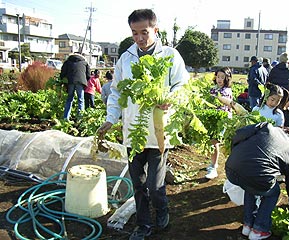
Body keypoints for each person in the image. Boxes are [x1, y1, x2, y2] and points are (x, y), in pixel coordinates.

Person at [97, 9, 189, 240]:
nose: (139, 38)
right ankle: (144, 225)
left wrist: (171, 99)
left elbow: (182, 86)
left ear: (155, 30)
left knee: (155, 185)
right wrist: (111, 119)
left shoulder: (170, 55)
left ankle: (163, 212)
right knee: (137, 184)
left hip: (160, 132)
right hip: (133, 132)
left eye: (144, 32)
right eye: (134, 33)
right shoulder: (126, 57)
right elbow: (116, 92)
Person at [225, 122, 289, 239]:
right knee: (273, 192)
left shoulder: (269, 127)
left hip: (231, 168)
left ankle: (247, 225)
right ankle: (259, 230)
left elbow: (240, 134)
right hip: (255, 175)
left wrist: (236, 154)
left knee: (251, 185)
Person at [206, 67, 233, 180]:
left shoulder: (226, 91)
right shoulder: (213, 88)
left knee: (214, 142)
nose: (220, 79)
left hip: (221, 120)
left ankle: (213, 168)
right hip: (212, 119)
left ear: (227, 78)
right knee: (211, 142)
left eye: (222, 77)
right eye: (218, 77)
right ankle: (214, 163)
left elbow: (223, 106)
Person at [60, 52, 91, 120]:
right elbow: (88, 75)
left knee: (69, 99)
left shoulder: (67, 62)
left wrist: (63, 81)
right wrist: (85, 81)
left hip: (70, 81)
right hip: (81, 82)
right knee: (81, 100)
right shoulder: (85, 63)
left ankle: (66, 117)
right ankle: (80, 117)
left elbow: (63, 72)